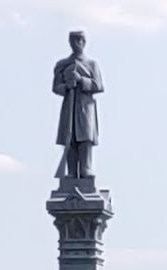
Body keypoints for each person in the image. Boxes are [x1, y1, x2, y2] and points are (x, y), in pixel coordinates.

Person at [53, 31, 104, 180]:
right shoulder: (62, 65)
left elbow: (98, 86)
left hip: (85, 105)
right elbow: (56, 87)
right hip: (69, 104)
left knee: (85, 138)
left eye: (79, 40)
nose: (76, 43)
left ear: (84, 42)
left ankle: (85, 168)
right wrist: (67, 86)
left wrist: (81, 80)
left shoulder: (92, 64)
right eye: (73, 40)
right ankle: (71, 171)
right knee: (69, 138)